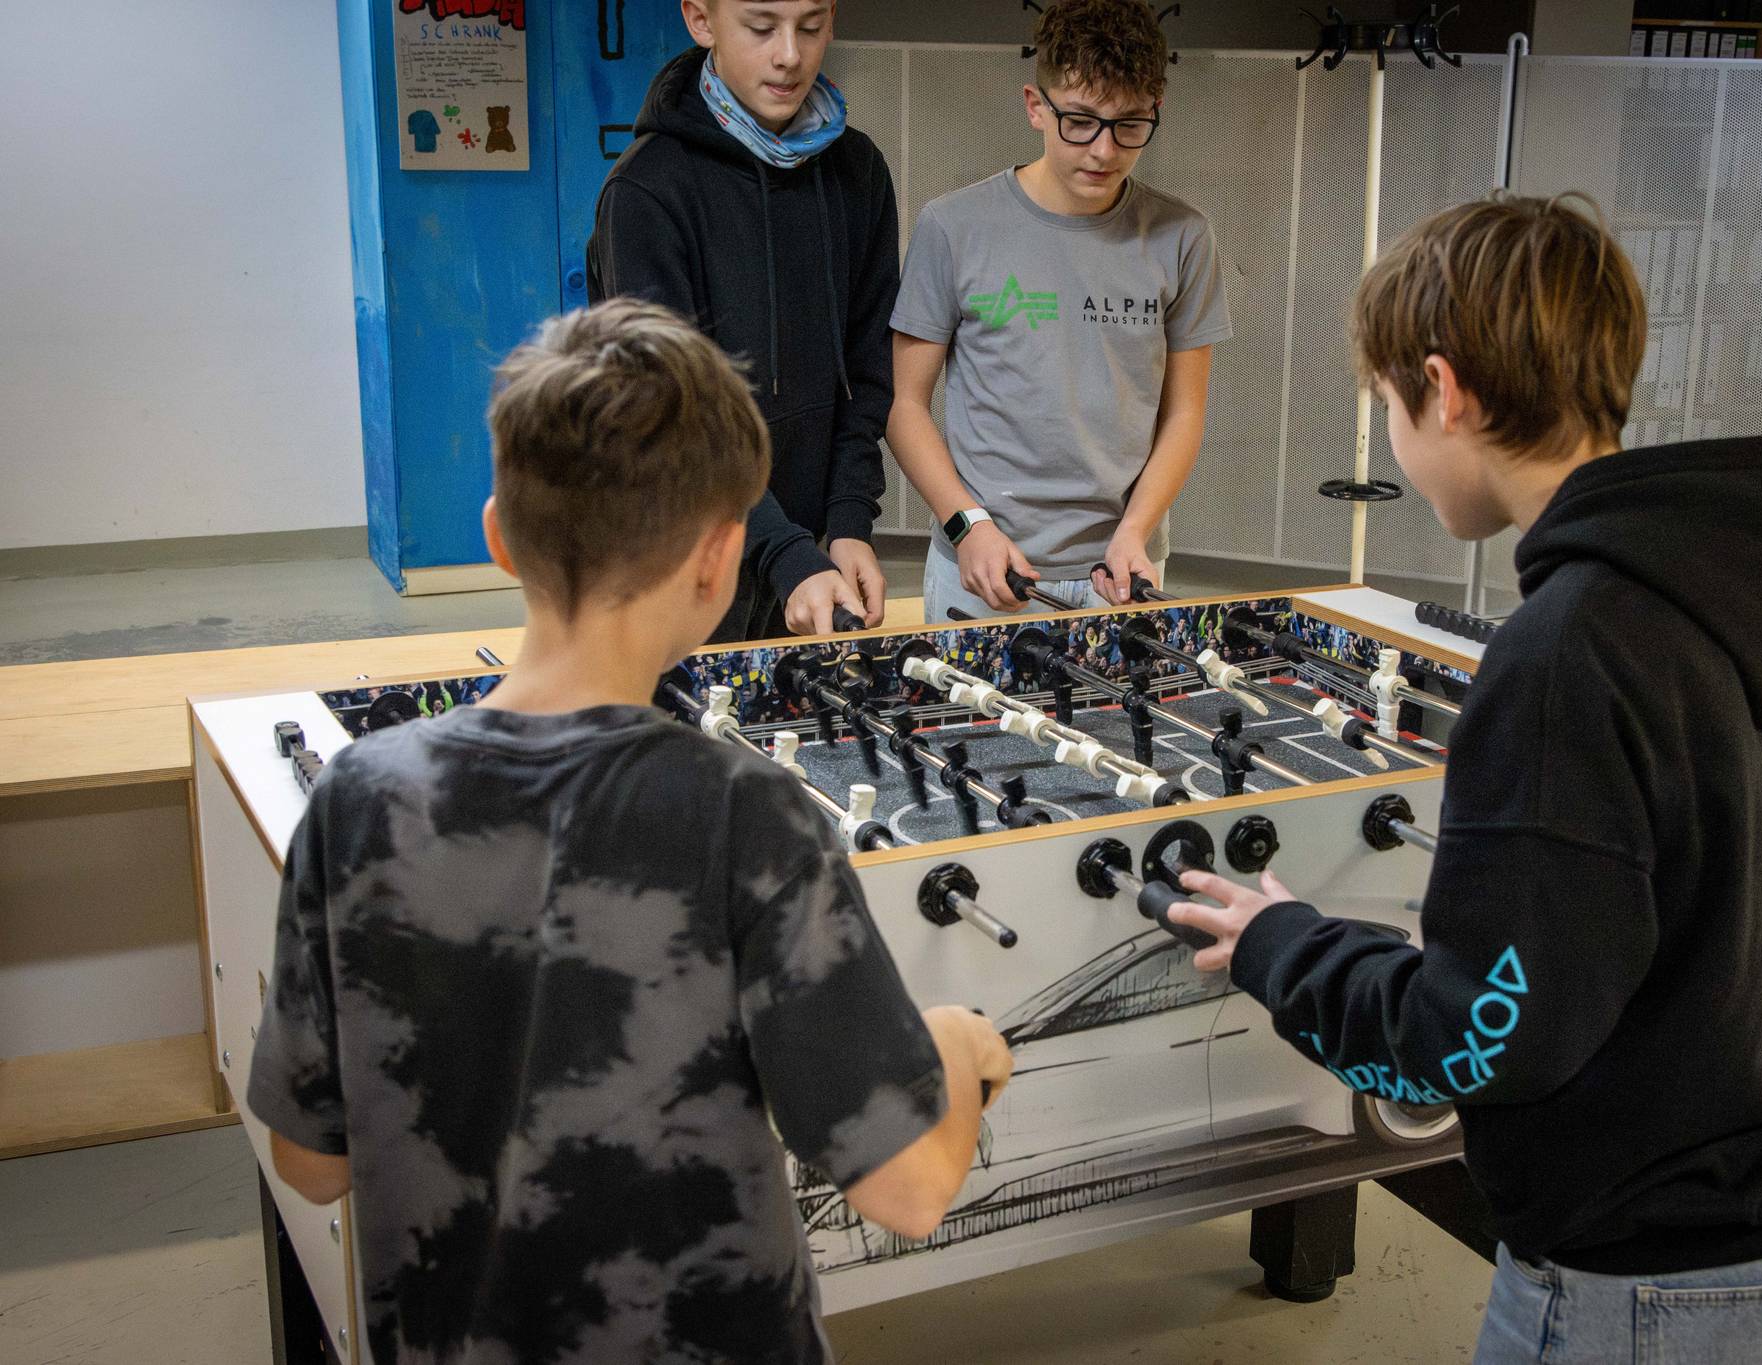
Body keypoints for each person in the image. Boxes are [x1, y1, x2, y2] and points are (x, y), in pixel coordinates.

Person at [1167, 194, 1762, 1363]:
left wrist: (1283, 950)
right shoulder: (1737, 581)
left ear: (1442, 389)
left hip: (1653, 1266)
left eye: (1386, 407)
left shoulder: (1564, 652)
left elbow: (1480, 1042)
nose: (1394, 438)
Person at [250, 300, 1011, 1363]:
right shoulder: (744, 813)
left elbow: (309, 1162)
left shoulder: (356, 800)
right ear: (721, 561)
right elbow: (909, 1188)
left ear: (498, 536)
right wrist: (960, 1050)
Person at [888, 0, 1231, 621]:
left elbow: (1185, 412)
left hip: (1121, 569)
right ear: (1035, 106)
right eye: (1080, 121)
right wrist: (968, 526)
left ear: (1156, 108)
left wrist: (1136, 531)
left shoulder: (1184, 236)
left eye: (1129, 124)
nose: (1104, 150)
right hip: (983, 565)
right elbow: (904, 405)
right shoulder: (952, 226)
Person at [587, 0, 896, 642]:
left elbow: (867, 373)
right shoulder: (647, 191)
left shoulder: (858, 172)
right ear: (701, 21)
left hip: (806, 566)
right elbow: (673, 415)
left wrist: (847, 522)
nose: (789, 55)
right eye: (761, 28)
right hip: (676, 569)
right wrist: (782, 551)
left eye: (810, 27)